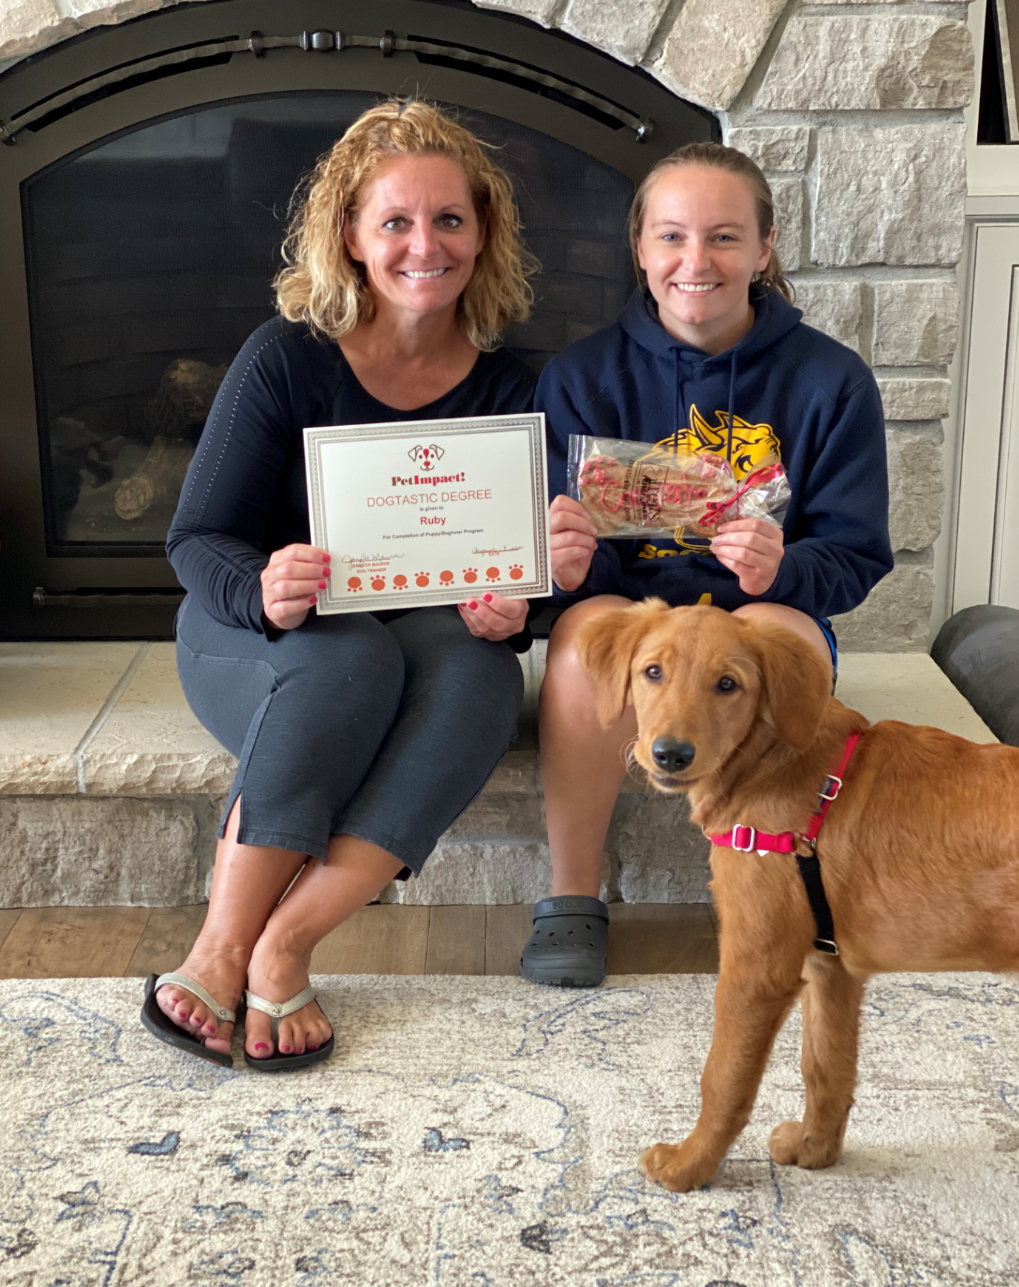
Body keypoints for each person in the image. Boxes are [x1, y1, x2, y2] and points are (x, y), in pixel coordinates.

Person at [143, 100, 537, 1068]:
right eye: (395, 221)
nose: (424, 244)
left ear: (483, 233)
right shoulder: (286, 359)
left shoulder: (518, 384)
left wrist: (532, 601)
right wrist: (263, 587)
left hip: (427, 637)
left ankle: (287, 943)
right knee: (347, 656)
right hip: (259, 639)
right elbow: (195, 539)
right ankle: (218, 948)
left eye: (450, 219)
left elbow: (534, 569)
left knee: (485, 673)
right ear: (351, 237)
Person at [520, 141, 893, 989]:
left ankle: (782, 882)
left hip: (761, 614)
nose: (696, 262)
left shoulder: (831, 382)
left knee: (773, 639)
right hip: (631, 616)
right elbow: (548, 560)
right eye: (672, 237)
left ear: (763, 249)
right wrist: (564, 563)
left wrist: (783, 568)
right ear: (641, 250)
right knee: (586, 635)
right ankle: (572, 895)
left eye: (724, 238)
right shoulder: (579, 377)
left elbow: (856, 552)